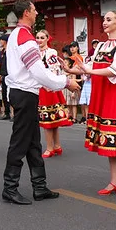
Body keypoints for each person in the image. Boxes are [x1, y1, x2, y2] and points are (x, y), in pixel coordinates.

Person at [2, 0, 79, 205]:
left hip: (21, 91)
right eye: (35, 10)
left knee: (33, 142)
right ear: (26, 13)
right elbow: (38, 72)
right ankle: (10, 188)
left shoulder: (15, 36)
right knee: (20, 142)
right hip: (25, 92)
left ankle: (39, 186)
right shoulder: (26, 38)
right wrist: (65, 82)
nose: (37, 13)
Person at [66, 11, 116, 197]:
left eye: (109, 20)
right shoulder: (101, 45)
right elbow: (89, 66)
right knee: (109, 138)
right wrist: (69, 69)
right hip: (102, 95)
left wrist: (91, 72)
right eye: (104, 20)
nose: (104, 23)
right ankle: (115, 180)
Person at [35, 30, 72, 158]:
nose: (39, 40)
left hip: (48, 88)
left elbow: (55, 70)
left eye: (42, 38)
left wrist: (51, 85)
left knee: (48, 119)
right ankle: (56, 146)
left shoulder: (51, 52)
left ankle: (50, 147)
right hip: (41, 87)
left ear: (47, 39)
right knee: (51, 119)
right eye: (37, 37)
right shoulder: (36, 52)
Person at [78, 39, 99, 124]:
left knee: (92, 101)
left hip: (94, 81)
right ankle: (87, 118)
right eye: (94, 44)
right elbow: (84, 69)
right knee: (86, 101)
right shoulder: (88, 57)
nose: (95, 45)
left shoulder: (99, 57)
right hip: (87, 81)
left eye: (97, 44)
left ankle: (93, 118)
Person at [0, 35, 11, 120]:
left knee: (10, 95)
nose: (0, 42)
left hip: (10, 75)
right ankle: (7, 113)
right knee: (4, 95)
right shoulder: (2, 51)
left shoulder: (10, 51)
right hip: (3, 75)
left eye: (1, 40)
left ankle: (14, 113)